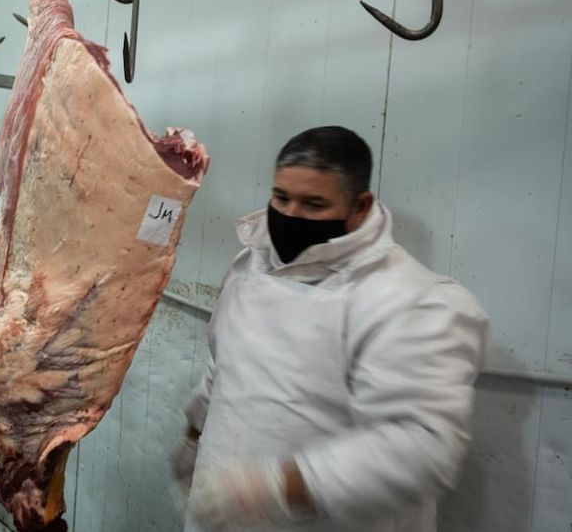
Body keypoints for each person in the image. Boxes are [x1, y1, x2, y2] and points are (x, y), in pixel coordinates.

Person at [171, 126, 489, 532]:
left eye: (314, 204)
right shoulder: (249, 267)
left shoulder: (416, 301)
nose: (291, 215)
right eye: (281, 197)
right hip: (225, 516)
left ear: (360, 206)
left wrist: (276, 488)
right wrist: (193, 434)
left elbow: (423, 447)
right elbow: (227, 366)